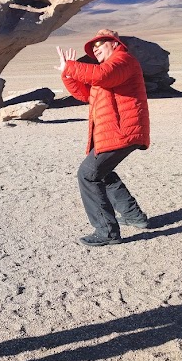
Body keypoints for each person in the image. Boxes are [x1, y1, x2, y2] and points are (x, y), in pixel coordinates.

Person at [56, 28, 150, 247]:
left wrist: (71, 66)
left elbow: (101, 76)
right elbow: (86, 94)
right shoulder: (109, 69)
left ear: (115, 44)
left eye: (100, 44)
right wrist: (67, 74)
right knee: (102, 172)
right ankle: (134, 216)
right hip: (113, 130)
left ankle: (107, 232)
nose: (96, 49)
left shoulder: (123, 61)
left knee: (88, 175)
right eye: (93, 48)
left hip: (122, 130)